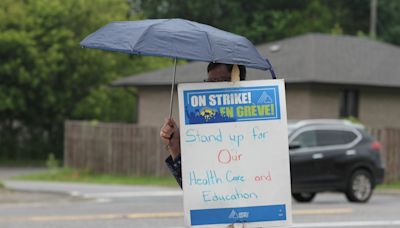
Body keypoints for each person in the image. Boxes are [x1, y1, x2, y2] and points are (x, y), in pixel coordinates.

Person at [159, 63, 246, 188]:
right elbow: (191, 187)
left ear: (237, 80)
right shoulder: (201, 127)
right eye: (210, 81)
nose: (214, 87)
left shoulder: (255, 124)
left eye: (221, 81)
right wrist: (174, 146)